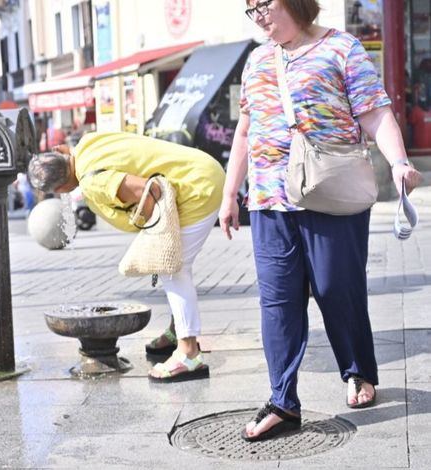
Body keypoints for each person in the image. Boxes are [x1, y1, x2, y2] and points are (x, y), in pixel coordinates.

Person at [221, 0, 424, 442]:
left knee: (337, 289)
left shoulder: (343, 49)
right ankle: (282, 401)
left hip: (330, 193)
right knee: (277, 302)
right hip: (269, 200)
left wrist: (398, 162)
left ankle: (358, 371)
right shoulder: (256, 60)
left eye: (265, 5)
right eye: (249, 8)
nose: (258, 16)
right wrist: (228, 194)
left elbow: (374, 110)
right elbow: (245, 129)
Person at [28, 132, 225, 382]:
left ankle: (189, 354)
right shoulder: (88, 142)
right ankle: (179, 331)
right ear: (60, 150)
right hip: (199, 169)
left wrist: (150, 231)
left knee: (174, 270)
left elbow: (148, 190)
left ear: (60, 189)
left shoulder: (92, 183)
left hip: (197, 188)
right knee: (176, 265)